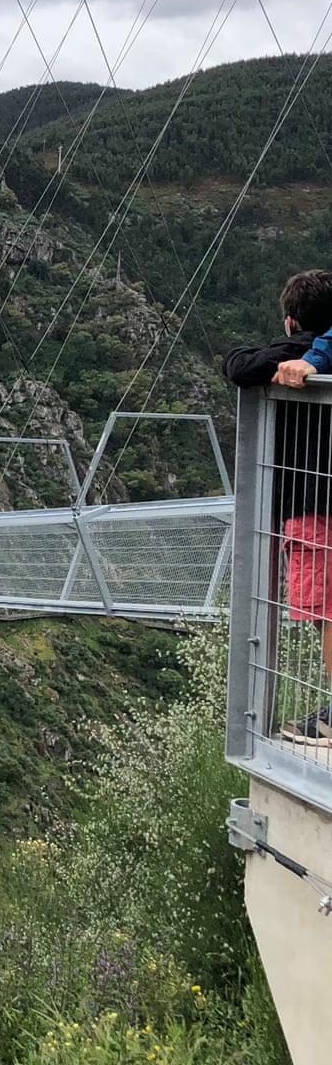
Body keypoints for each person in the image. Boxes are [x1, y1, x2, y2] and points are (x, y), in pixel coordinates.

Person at [224, 268, 332, 744]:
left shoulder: (294, 355)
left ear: (291, 322)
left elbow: (237, 365)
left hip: (310, 506)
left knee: (327, 611)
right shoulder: (314, 353)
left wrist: (294, 350)